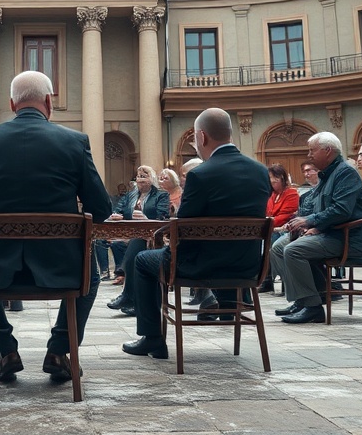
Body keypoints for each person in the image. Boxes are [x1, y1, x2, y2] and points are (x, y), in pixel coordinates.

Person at [0, 70, 112, 385]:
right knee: (90, 275)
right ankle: (59, 351)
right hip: (62, 268)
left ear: (12, 103)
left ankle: (5, 351)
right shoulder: (75, 142)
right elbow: (102, 210)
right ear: (49, 101)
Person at [123, 108, 270, 360]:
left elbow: (184, 228)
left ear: (202, 137)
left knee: (141, 259)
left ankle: (153, 339)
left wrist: (170, 254)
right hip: (247, 266)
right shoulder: (259, 171)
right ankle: (226, 307)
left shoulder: (201, 175)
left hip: (200, 266)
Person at [276, 132, 362, 324]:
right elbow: (319, 207)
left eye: (312, 150)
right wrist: (304, 222)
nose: (309, 154)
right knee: (280, 247)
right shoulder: (327, 174)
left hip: (350, 238)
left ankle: (313, 308)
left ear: (328, 151)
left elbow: (341, 210)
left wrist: (312, 222)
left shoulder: (345, 173)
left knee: (293, 250)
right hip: (332, 233)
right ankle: (303, 299)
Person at [105, 165, 171, 317]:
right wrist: (116, 215)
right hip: (130, 234)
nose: (140, 179)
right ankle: (131, 298)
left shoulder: (160, 195)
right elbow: (119, 210)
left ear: (152, 179)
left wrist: (147, 219)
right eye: (138, 176)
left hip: (152, 236)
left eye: (144, 176)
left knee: (134, 251)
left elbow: (162, 217)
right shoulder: (130, 195)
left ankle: (128, 297)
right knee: (115, 244)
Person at [258, 163, 300, 293]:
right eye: (270, 177)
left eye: (274, 177)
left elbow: (286, 215)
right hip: (273, 228)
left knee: (270, 241)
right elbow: (267, 213)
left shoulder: (291, 193)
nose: (272, 181)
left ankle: (272, 279)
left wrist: (268, 222)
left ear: (282, 177)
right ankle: (266, 279)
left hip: (286, 229)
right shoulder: (271, 195)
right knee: (263, 242)